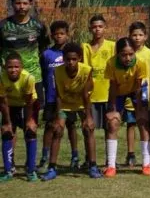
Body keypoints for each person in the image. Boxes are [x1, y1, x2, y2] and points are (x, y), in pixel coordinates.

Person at [44, 43, 101, 180]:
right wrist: (58, 116)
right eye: (68, 59)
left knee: (88, 129)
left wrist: (88, 117)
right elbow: (58, 95)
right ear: (63, 59)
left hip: (82, 103)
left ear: (79, 58)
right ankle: (52, 168)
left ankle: (92, 165)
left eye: (74, 59)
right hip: (64, 104)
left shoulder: (86, 70)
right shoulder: (58, 71)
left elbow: (86, 94)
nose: (71, 62)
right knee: (57, 130)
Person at [0, 0, 49, 114]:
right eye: (18, 3)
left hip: (33, 76)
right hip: (9, 78)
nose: (21, 6)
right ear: (12, 4)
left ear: (31, 4)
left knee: (32, 118)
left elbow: (43, 48)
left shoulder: (38, 26)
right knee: (10, 119)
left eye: (25, 3)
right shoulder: (3, 26)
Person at [105, 38, 149, 176]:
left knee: (143, 121)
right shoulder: (111, 63)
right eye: (124, 55)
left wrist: (140, 108)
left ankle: (147, 164)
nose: (128, 58)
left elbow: (139, 87)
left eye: (131, 54)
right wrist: (112, 109)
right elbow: (112, 87)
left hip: (135, 91)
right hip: (118, 93)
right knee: (113, 123)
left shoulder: (140, 64)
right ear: (118, 54)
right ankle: (111, 166)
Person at [39, 21, 76, 172]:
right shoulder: (47, 54)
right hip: (51, 97)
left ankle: (75, 156)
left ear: (68, 34)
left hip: (69, 98)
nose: (59, 37)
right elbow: (42, 75)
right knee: (49, 126)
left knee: (71, 125)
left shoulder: (71, 54)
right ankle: (45, 157)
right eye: (56, 34)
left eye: (62, 33)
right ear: (51, 35)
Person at [0, 52, 39, 182]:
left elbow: (29, 102)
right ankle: (8, 170)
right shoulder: (1, 78)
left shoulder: (29, 78)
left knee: (30, 131)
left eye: (16, 67)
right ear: (5, 67)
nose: (13, 70)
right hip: (10, 106)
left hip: (26, 105)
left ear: (21, 67)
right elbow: (3, 102)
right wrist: (7, 122)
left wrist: (29, 120)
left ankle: (31, 170)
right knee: (6, 132)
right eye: (10, 67)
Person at [83, 15, 115, 139]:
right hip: (92, 94)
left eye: (100, 26)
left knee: (110, 126)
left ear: (105, 28)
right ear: (90, 29)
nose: (97, 29)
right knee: (89, 128)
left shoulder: (112, 46)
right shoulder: (85, 47)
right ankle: (90, 158)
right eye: (94, 27)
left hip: (108, 93)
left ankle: (110, 158)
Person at [127, 21, 150, 168]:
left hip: (145, 93)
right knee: (130, 123)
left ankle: (148, 154)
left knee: (145, 124)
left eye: (140, 35)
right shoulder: (128, 53)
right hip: (130, 92)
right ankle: (130, 154)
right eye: (134, 35)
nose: (137, 38)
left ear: (145, 37)